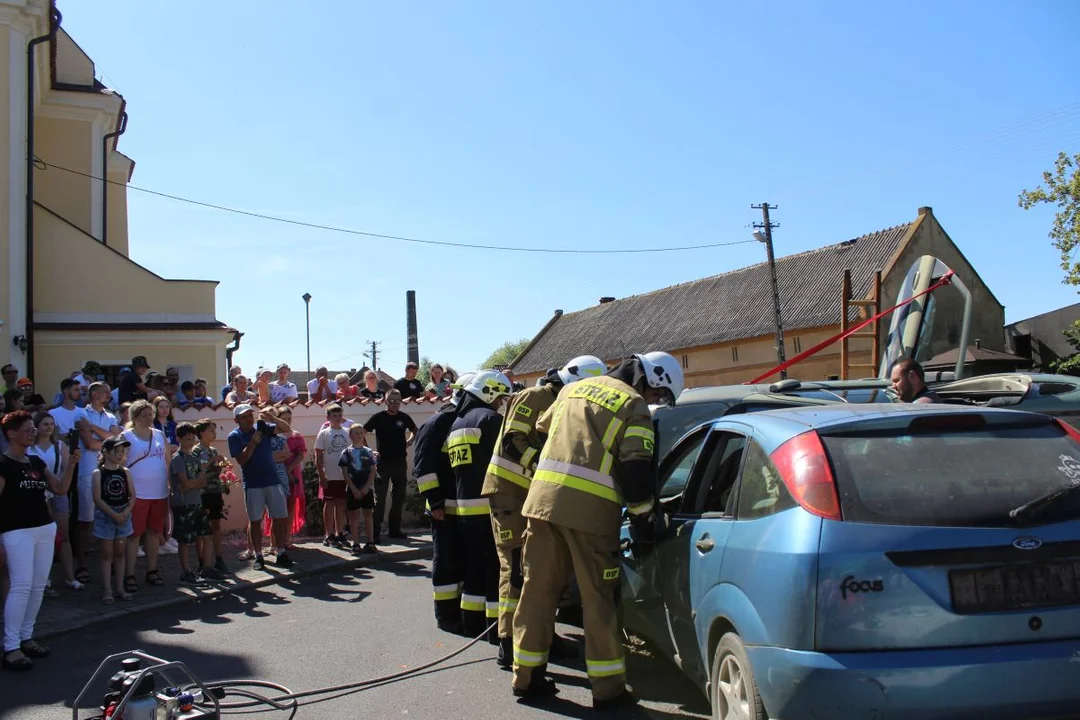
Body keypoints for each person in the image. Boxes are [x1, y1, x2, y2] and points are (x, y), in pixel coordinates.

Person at [511, 351, 683, 708]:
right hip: (589, 514)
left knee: (537, 591)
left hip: (541, 504)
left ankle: (526, 677)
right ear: (651, 379)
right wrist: (642, 519)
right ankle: (608, 691)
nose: (653, 403)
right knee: (598, 599)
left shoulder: (574, 390)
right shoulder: (632, 405)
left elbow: (543, 436)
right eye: (657, 395)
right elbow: (635, 471)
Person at [483, 355, 606, 668]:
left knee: (538, 571)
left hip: (531, 496)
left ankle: (540, 638)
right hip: (509, 493)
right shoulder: (534, 396)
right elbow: (513, 441)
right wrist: (544, 467)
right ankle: (508, 643)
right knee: (515, 569)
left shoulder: (562, 401)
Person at [0, 410, 79, 671]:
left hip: (44, 528)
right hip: (15, 531)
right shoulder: (3, 463)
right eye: (27, 429)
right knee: (21, 586)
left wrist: (71, 466)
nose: (32, 432)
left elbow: (59, 489)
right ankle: (10, 646)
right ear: (11, 433)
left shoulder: (35, 462)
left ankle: (26, 637)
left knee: (36, 586)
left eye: (33, 429)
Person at [447, 370, 514, 641]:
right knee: (496, 569)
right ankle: (496, 630)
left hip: (464, 507)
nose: (500, 403)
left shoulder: (457, 423)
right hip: (488, 505)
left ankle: (471, 621)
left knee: (474, 566)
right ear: (488, 392)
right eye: (499, 397)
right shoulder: (490, 420)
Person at [413, 371, 474, 633]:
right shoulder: (436, 424)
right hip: (442, 507)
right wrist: (435, 502)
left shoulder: (462, 421)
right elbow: (423, 468)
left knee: (463, 560)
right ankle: (446, 615)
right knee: (446, 562)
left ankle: (462, 611)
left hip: (462, 505)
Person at [227, 405, 294, 570]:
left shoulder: (262, 427)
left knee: (280, 518)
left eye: (250, 415)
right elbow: (242, 460)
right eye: (244, 417)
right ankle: (258, 555)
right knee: (255, 521)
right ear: (236, 420)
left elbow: (286, 429)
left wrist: (273, 417)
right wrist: (253, 443)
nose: (249, 419)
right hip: (253, 484)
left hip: (273, 480)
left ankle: (281, 552)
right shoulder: (234, 436)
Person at [27, 413, 81, 592]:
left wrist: (72, 465)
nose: (49, 427)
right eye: (44, 424)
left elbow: (67, 469)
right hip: (36, 494)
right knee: (44, 538)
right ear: (36, 427)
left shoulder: (59, 446)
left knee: (64, 536)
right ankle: (45, 578)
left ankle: (70, 577)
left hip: (58, 492)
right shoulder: (29, 448)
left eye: (51, 424)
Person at [363, 389, 417, 543]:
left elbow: (414, 430)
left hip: (400, 462)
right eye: (392, 401)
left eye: (398, 401)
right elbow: (363, 431)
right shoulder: (378, 417)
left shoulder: (404, 417)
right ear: (386, 401)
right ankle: (375, 532)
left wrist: (409, 442)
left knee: (399, 497)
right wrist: (369, 450)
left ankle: (395, 530)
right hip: (383, 464)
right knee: (379, 499)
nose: (395, 404)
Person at [169, 423, 220, 584]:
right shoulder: (178, 459)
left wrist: (193, 483)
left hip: (197, 501)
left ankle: (206, 568)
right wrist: (193, 483)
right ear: (179, 439)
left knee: (206, 534)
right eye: (186, 439)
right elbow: (185, 483)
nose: (190, 442)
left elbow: (200, 482)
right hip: (183, 504)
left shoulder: (193, 457)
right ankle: (186, 571)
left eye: (192, 438)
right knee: (185, 540)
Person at [91, 437, 136, 604]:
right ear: (106, 453)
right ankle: (107, 590)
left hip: (123, 514)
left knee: (119, 553)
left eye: (122, 451)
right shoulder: (98, 473)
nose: (120, 454)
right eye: (116, 451)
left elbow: (132, 495)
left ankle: (120, 588)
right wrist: (113, 514)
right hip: (106, 516)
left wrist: (125, 512)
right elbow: (97, 498)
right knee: (106, 554)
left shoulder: (125, 472)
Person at [193, 420, 229, 573]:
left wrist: (222, 465)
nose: (214, 434)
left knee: (216, 525)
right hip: (202, 493)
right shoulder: (196, 451)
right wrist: (212, 461)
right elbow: (197, 471)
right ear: (202, 433)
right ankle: (202, 560)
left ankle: (219, 558)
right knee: (201, 529)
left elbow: (215, 472)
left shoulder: (213, 450)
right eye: (211, 431)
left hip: (214, 492)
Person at [314, 404, 351, 548]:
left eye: (339, 415)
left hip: (344, 475)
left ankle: (339, 532)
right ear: (328, 418)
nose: (337, 418)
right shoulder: (324, 433)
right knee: (329, 504)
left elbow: (352, 452)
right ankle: (328, 534)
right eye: (334, 416)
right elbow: (318, 455)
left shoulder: (348, 432)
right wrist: (321, 475)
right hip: (329, 475)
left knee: (341, 505)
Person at [339, 425, 379, 555]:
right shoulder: (346, 453)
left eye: (361, 433)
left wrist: (367, 487)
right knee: (354, 517)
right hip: (353, 489)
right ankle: (356, 544)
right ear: (350, 436)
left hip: (367, 489)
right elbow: (344, 473)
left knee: (368, 515)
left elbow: (373, 471)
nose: (359, 435)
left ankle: (370, 542)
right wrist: (354, 489)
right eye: (356, 433)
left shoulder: (368, 452)